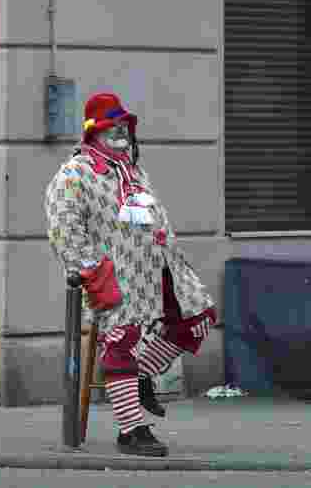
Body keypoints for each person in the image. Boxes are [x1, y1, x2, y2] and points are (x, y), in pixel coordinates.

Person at [44, 92, 217, 457]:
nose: (121, 132)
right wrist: (91, 270)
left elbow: (149, 216)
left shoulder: (131, 169)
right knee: (120, 342)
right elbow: (64, 229)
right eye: (113, 127)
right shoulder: (74, 174)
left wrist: (169, 251)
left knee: (198, 318)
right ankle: (132, 429)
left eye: (125, 126)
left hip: (159, 266)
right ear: (94, 132)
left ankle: (139, 378)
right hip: (113, 273)